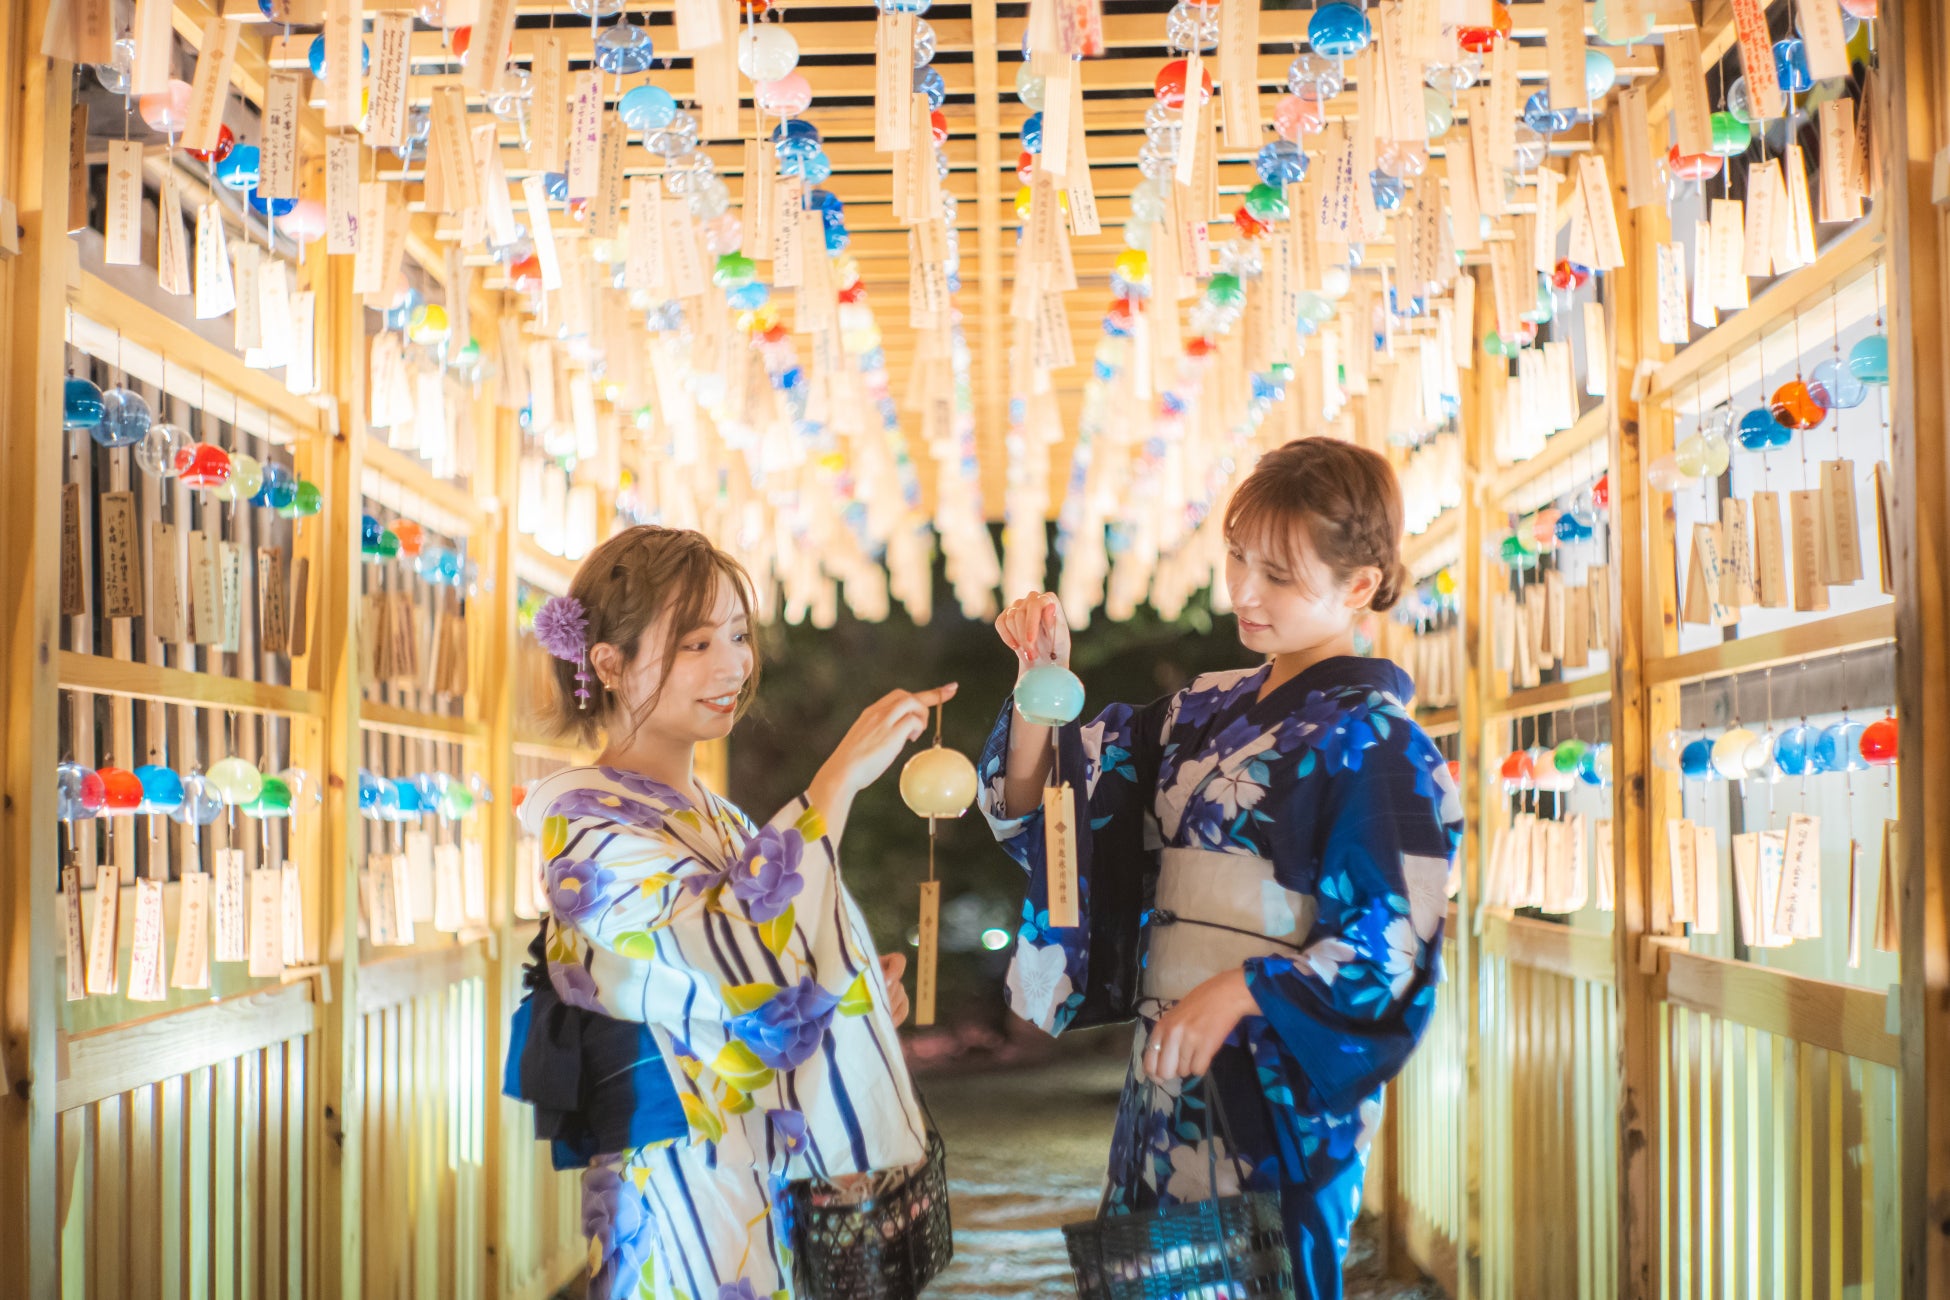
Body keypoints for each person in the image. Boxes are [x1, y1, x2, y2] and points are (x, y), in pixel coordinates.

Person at [981, 438, 1463, 1300]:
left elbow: (1395, 938)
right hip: (1167, 1058)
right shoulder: (1199, 712)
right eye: (1238, 558)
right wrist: (1040, 686)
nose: (1243, 590)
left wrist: (1247, 989)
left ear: (1358, 586)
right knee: (1148, 1276)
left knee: (1246, 1279)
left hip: (1271, 1072)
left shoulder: (1386, 746)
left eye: (1277, 575)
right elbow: (1056, 806)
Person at [505, 525, 952, 1300]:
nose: (733, 664)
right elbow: (716, 938)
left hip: (757, 1154)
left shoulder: (718, 817)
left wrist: (850, 992)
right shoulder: (581, 821)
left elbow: (766, 953)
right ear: (608, 664)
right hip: (679, 1153)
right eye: (696, 643)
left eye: (739, 636)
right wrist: (835, 783)